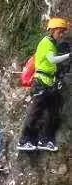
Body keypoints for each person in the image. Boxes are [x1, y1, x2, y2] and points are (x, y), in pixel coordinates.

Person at [18, 18, 71, 152]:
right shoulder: (46, 42)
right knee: (36, 111)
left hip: (49, 82)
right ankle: (24, 140)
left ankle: (45, 140)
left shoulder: (52, 44)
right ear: (52, 30)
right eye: (60, 32)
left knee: (53, 112)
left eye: (63, 32)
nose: (62, 35)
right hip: (41, 82)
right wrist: (69, 55)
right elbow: (52, 59)